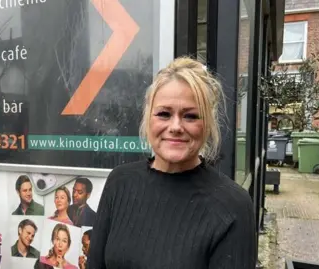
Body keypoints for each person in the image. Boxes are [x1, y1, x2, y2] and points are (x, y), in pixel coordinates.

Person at [87, 57, 256, 269]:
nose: (175, 126)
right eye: (164, 114)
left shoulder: (232, 206)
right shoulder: (119, 182)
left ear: (208, 125)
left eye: (191, 116)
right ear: (148, 119)